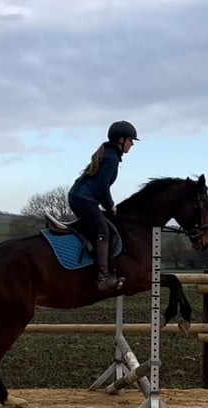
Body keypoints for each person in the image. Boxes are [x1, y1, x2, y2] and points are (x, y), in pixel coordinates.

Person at [68, 120, 138, 291]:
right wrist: (110, 205)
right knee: (103, 231)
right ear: (121, 140)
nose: (132, 144)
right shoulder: (112, 158)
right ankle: (103, 277)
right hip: (84, 199)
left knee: (103, 226)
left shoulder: (108, 153)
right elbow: (101, 186)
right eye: (131, 140)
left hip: (80, 197)